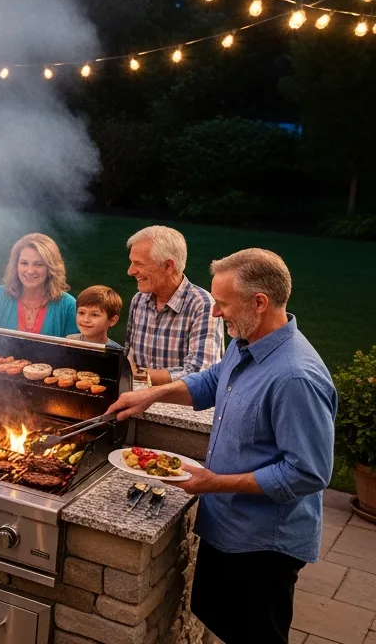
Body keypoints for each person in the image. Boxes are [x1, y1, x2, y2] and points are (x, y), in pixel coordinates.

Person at [107, 249, 334, 644]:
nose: (215, 314)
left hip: (263, 545)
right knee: (221, 621)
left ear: (259, 303)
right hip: (228, 526)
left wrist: (215, 482)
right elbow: (212, 381)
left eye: (223, 304)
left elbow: (308, 472)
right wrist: (152, 395)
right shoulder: (246, 342)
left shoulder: (295, 377)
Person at [125, 225, 224, 385]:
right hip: (137, 398)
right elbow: (129, 358)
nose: (130, 271)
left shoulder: (202, 304)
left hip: (181, 406)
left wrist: (141, 375)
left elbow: (201, 372)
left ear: (168, 266)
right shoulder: (139, 300)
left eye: (139, 264)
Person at [0, 233, 78, 337]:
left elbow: (74, 351)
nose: (30, 271)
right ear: (16, 265)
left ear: (51, 268)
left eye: (38, 264)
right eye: (24, 263)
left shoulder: (68, 305)